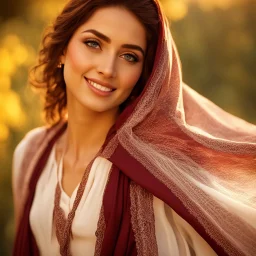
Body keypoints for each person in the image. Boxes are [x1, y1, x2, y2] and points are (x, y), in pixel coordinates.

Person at [12, 0, 256, 255]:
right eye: (93, 43)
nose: (107, 69)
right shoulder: (30, 154)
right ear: (63, 48)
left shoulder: (153, 177)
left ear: (144, 74)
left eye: (129, 56)